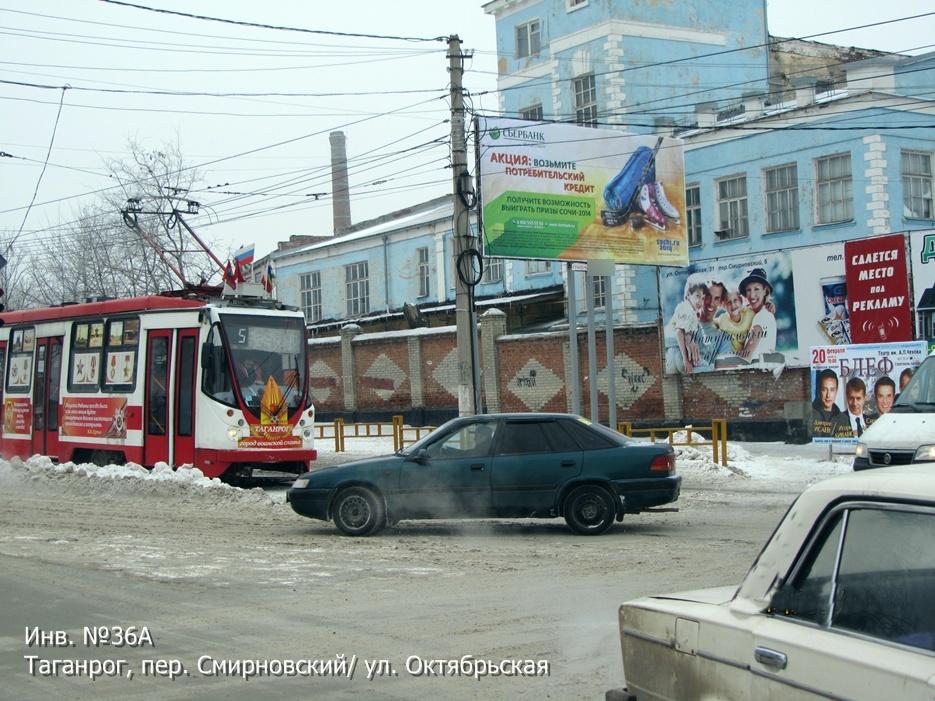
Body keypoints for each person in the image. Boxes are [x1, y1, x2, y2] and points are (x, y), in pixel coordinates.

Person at [664, 273, 707, 374]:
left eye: (703, 298)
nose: (701, 301)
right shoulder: (689, 311)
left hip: (670, 359)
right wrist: (685, 359)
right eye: (698, 296)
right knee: (711, 368)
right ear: (688, 295)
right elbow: (679, 332)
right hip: (680, 355)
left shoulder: (682, 307)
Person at [738, 267, 777, 359]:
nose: (752, 295)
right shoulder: (756, 314)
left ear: (765, 291)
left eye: (756, 289)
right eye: (748, 290)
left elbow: (745, 357)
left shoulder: (762, 316)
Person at [811, 368, 842, 438]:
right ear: (819, 390)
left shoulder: (844, 419)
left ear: (837, 391)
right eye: (824, 389)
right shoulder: (809, 414)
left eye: (832, 390)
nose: (828, 395)